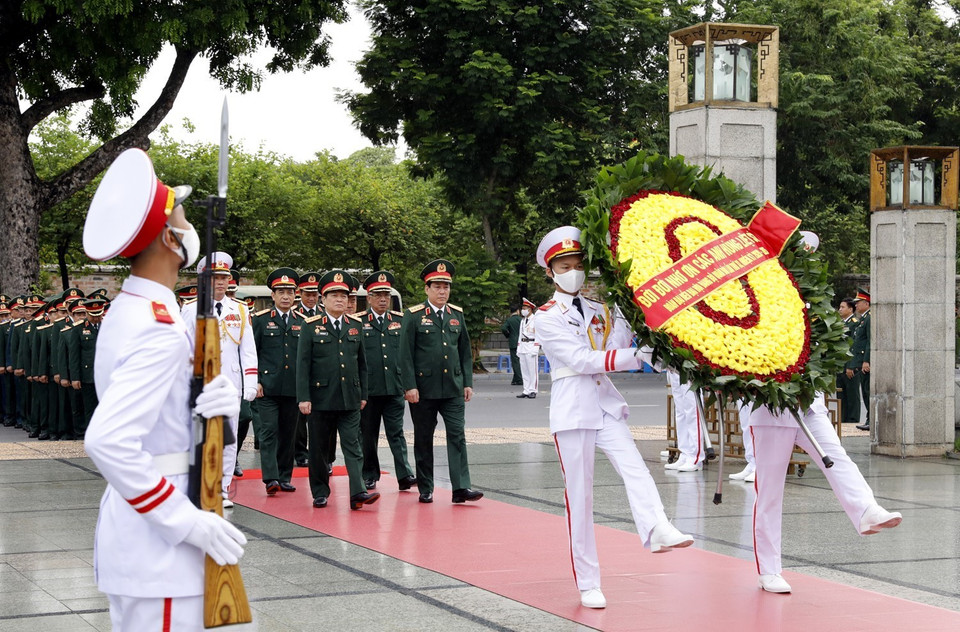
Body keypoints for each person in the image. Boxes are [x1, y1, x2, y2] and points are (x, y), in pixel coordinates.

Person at [81, 148, 246, 630]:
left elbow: (161, 416)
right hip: (162, 547)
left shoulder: (141, 309)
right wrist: (186, 522)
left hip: (149, 538)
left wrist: (211, 404)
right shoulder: (156, 326)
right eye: (183, 220)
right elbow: (108, 441)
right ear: (170, 240)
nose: (189, 227)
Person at [534, 225, 694, 610]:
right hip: (573, 409)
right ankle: (589, 582)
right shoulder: (546, 317)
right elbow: (581, 360)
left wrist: (628, 313)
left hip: (604, 403)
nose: (574, 272)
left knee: (635, 467)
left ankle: (656, 526)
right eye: (565, 266)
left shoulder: (599, 309)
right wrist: (635, 357)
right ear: (550, 272)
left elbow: (615, 346)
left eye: (578, 265)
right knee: (581, 498)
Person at [745, 394, 901, 593]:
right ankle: (769, 570)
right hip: (771, 411)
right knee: (770, 491)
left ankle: (866, 510)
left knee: (837, 458)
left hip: (809, 405)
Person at [400, 259, 482, 505]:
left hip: (453, 387)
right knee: (424, 438)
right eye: (437, 287)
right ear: (427, 289)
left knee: (457, 435)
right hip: (423, 389)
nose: (442, 291)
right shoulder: (414, 316)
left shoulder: (456, 314)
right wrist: (409, 385)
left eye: (446, 287)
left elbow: (464, 351)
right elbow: (405, 354)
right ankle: (426, 487)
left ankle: (461, 487)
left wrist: (467, 382)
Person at [181, 252, 259, 509]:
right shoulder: (191, 309)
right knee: (201, 438)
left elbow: (248, 349)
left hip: (231, 384)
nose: (221, 282)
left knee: (228, 439)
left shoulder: (240, 309)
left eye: (224, 278)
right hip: (202, 385)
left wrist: (250, 382)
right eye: (215, 278)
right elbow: (183, 349)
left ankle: (222, 489)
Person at [296, 270, 379, 510]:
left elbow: (362, 364)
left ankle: (358, 492)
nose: (340, 300)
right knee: (319, 449)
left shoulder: (355, 325)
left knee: (353, 445)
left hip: (350, 397)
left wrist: (363, 394)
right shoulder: (311, 326)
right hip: (320, 398)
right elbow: (303, 365)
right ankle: (320, 492)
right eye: (334, 295)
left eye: (344, 296)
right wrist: (304, 397)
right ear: (323, 299)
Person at [357, 270, 417, 491]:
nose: (383, 299)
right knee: (368, 434)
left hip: (394, 387)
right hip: (369, 390)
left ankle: (405, 474)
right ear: (369, 298)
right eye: (378, 295)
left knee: (396, 433)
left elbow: (408, 355)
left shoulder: (399, 321)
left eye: (386, 295)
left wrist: (408, 384)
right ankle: (369, 473)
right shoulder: (359, 321)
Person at [252, 268, 305, 496]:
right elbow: (252, 353)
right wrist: (255, 381)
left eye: (289, 292)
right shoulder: (260, 320)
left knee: (288, 434)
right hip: (268, 387)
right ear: (272, 295)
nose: (285, 296)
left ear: (295, 295)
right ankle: (271, 478)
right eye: (281, 292)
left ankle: (284, 477)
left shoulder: (303, 321)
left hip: (292, 388)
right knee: (268, 432)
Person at [293, 271, 322, 468]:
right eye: (307, 294)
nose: (311, 298)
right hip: (300, 370)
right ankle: (300, 452)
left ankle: (320, 453)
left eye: (314, 294)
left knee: (319, 416)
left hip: (320, 372)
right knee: (300, 417)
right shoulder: (294, 314)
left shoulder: (324, 314)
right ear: (300, 294)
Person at [664, 369, 704, 472]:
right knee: (680, 412)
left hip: (689, 368)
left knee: (693, 411)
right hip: (674, 368)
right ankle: (685, 454)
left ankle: (695, 458)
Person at [837, 297, 861, 424]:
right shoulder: (840, 324)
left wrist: (851, 365)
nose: (840, 309)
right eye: (840, 307)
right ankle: (842, 419)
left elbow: (854, 346)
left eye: (843, 307)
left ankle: (853, 420)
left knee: (852, 395)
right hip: (840, 365)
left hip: (850, 364)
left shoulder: (854, 323)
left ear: (850, 309)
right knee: (841, 395)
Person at [851, 288, 871, 431]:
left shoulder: (869, 318)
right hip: (860, 360)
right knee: (865, 391)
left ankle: (871, 420)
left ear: (866, 303)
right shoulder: (863, 319)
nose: (856, 305)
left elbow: (870, 341)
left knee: (867, 391)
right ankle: (869, 419)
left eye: (859, 302)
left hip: (865, 361)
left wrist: (866, 360)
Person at [516, 298, 540, 398]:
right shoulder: (523, 321)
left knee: (532, 370)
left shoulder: (535, 320)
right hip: (523, 346)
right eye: (522, 308)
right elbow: (520, 335)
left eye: (524, 308)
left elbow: (538, 335)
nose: (523, 310)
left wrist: (536, 348)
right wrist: (518, 348)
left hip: (531, 345)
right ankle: (526, 390)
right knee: (524, 370)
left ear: (530, 309)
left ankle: (533, 390)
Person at [501, 305, 523, 386]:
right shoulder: (521, 319)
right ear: (517, 311)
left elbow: (503, 328)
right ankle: (516, 379)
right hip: (522, 342)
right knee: (521, 361)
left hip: (513, 342)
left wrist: (508, 335)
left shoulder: (509, 320)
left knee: (515, 362)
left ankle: (519, 379)